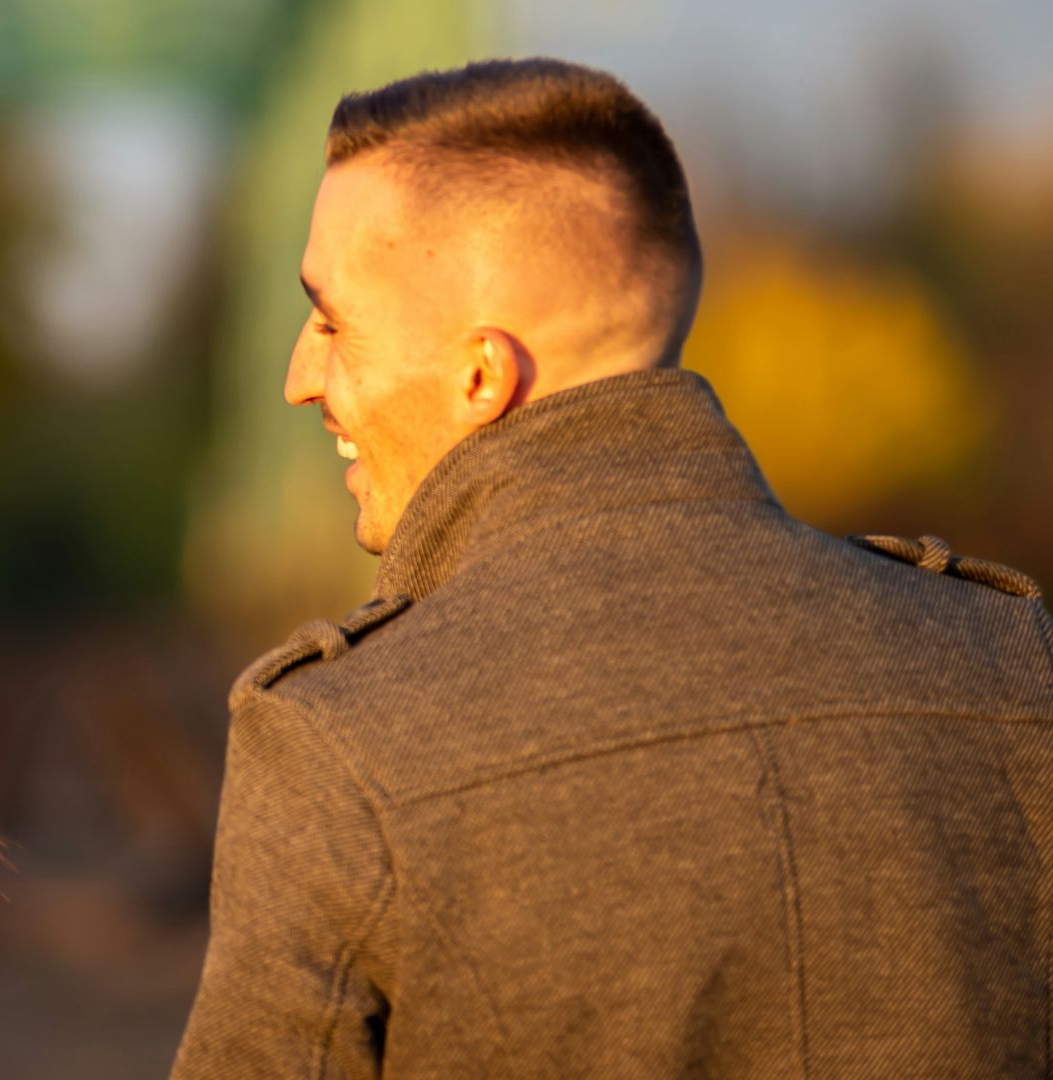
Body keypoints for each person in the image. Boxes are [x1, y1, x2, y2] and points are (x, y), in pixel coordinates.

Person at [174, 58, 1053, 1077]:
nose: (297, 377)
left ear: (482, 374)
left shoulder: (340, 743)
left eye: (330, 320)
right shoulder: (1007, 664)